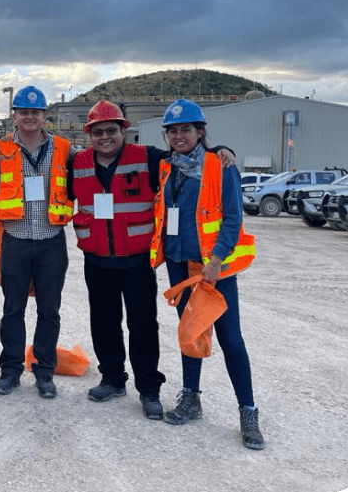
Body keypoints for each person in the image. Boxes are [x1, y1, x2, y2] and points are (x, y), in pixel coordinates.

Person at [69, 100, 235, 420]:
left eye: (111, 130)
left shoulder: (148, 158)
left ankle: (148, 389)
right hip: (98, 259)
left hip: (136, 261)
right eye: (98, 132)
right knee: (103, 323)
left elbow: (186, 157)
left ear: (123, 131)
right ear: (90, 135)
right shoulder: (77, 163)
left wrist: (220, 150)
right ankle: (113, 379)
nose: (105, 137)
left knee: (142, 325)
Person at [150, 98, 264, 450]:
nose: (179, 135)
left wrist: (216, 260)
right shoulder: (168, 167)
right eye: (172, 131)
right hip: (178, 262)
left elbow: (232, 218)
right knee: (190, 331)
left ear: (200, 132)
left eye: (186, 129)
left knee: (231, 338)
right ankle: (191, 398)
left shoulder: (221, 165)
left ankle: (247, 410)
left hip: (212, 267)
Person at [0, 85, 74, 398]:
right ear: (14, 115)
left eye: (35, 112)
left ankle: (44, 371)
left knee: (49, 311)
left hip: (51, 240)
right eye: (23, 111)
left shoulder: (64, 149)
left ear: (44, 116)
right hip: (15, 240)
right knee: (13, 309)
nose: (29, 117)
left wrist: (219, 150)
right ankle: (10, 370)